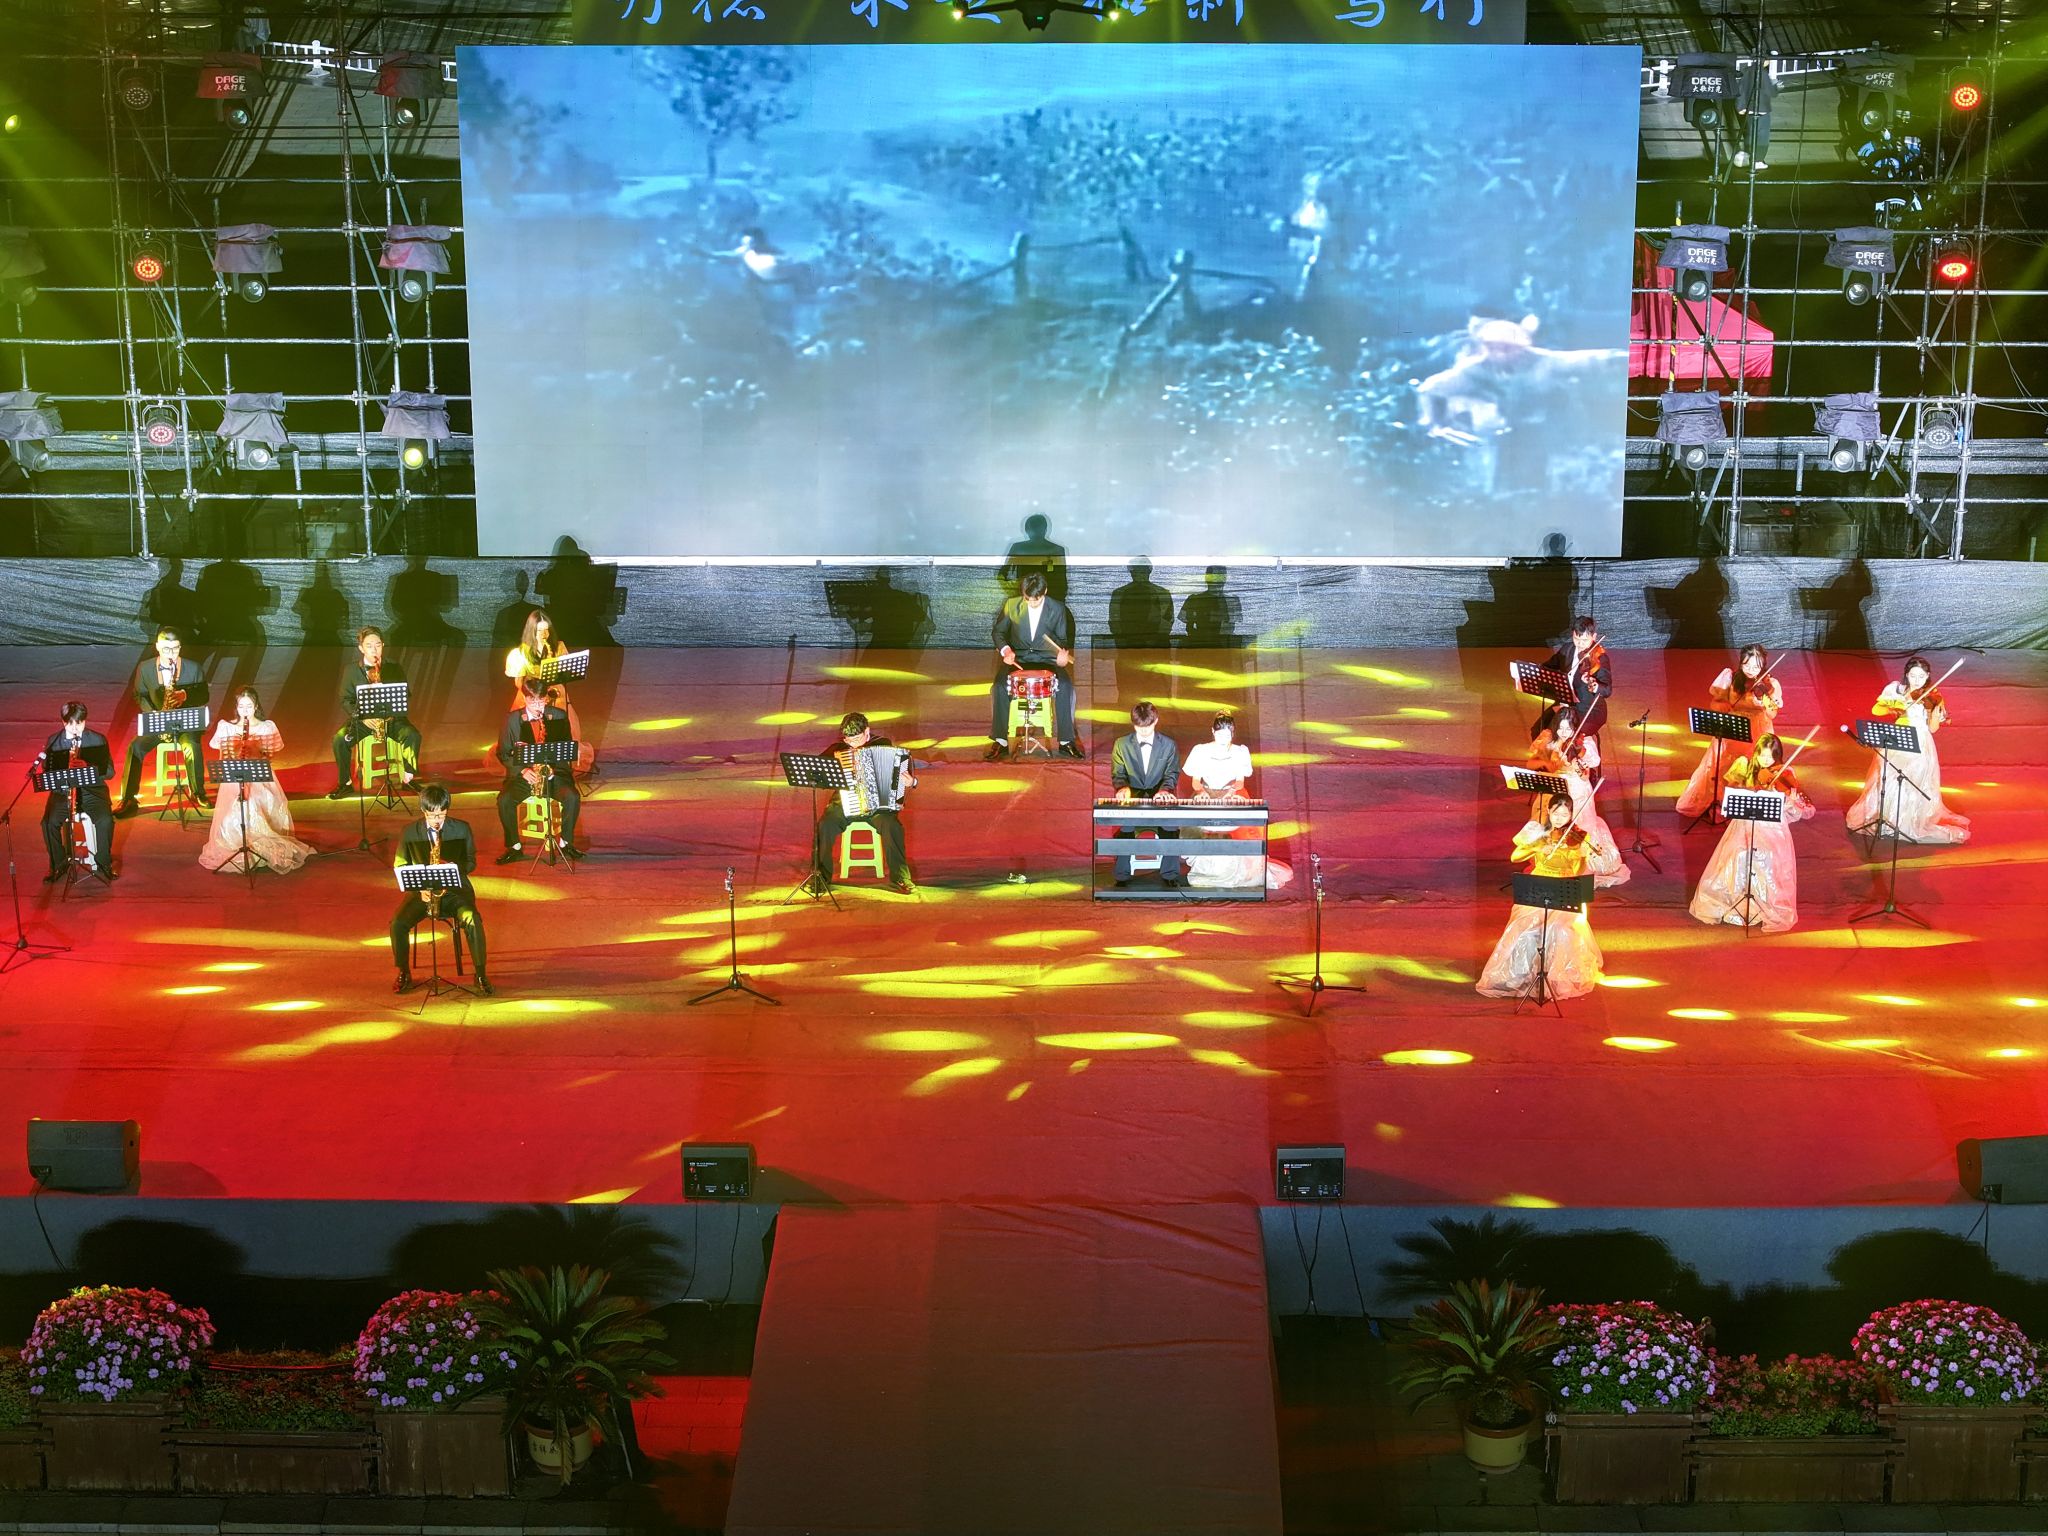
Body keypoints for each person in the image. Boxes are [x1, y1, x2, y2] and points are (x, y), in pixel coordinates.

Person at [1476, 792, 1604, 1001]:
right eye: (1556, 814)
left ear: (1571, 814)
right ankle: (1519, 974)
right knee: (1523, 926)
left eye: (1565, 815)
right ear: (1549, 811)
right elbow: (1515, 856)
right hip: (1538, 885)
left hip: (1564, 887)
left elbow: (1579, 871)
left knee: (1559, 929)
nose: (1560, 819)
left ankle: (1556, 976)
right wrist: (1538, 846)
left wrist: (1583, 855)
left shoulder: (1579, 836)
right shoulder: (1537, 832)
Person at [1688, 733, 1814, 932]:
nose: (1766, 761)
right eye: (1763, 756)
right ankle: (1736, 898)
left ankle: (1765, 902)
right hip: (1745, 824)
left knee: (1770, 864)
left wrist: (1791, 799)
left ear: (1778, 756)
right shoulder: (1746, 767)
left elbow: (1794, 808)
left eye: (1771, 757)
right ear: (1756, 754)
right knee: (1737, 859)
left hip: (1772, 828)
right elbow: (1732, 793)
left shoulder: (1785, 773)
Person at [1846, 655, 1971, 845]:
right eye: (1913, 676)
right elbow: (1876, 710)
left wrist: (1936, 714)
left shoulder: (1933, 697)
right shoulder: (1896, 690)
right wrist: (1896, 705)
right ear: (1906, 674)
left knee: (1912, 781)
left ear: (1928, 676)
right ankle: (1887, 818)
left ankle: (1906, 822)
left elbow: (1933, 729)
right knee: (1888, 777)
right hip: (1897, 737)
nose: (1917, 680)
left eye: (1921, 676)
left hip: (1920, 742)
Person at [198, 689, 314, 875]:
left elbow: (270, 754)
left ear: (256, 706)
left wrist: (254, 748)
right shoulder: (227, 727)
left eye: (249, 706)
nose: (245, 710)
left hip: (258, 776)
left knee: (256, 802)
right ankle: (238, 842)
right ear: (236, 707)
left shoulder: (266, 727)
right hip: (235, 777)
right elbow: (217, 749)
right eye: (241, 706)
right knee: (236, 808)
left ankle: (260, 844)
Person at [391, 782, 491, 996]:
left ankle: (481, 973)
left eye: (442, 815)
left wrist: (453, 868)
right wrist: (420, 890)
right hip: (423, 893)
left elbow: (471, 861)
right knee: (397, 923)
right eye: (432, 815)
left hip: (455, 891)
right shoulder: (409, 832)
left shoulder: (462, 828)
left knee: (473, 919)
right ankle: (403, 972)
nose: (437, 820)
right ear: (423, 810)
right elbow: (400, 865)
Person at [805, 711, 916, 895]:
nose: (853, 744)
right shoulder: (838, 749)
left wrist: (910, 782)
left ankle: (900, 878)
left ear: (867, 732)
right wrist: (824, 777)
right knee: (825, 825)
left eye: (856, 739)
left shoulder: (883, 744)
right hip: (845, 804)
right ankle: (820, 877)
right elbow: (816, 771)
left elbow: (899, 776)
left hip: (878, 808)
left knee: (892, 826)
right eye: (848, 740)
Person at [1675, 644, 1783, 818]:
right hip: (1732, 727)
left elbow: (1772, 714)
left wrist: (1766, 701)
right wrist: (1722, 706)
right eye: (1746, 665)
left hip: (1758, 729)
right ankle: (1722, 800)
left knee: (1754, 766)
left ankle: (1747, 805)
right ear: (1740, 663)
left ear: (1763, 666)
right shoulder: (1730, 678)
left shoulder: (1770, 684)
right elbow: (1715, 703)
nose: (1751, 670)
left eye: (1756, 667)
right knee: (1723, 765)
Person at [987, 571, 1082, 761]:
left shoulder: (1057, 608)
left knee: (1065, 686)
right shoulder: (1011, 605)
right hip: (1019, 658)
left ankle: (1066, 741)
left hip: (1048, 660)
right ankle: (1001, 741)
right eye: (1027, 598)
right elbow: (998, 633)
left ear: (1044, 592)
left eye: (1035, 600)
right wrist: (1006, 650)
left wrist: (1061, 656)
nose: (1031, 602)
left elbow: (1062, 640)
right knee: (999, 686)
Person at [1528, 711, 1627, 890]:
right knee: (1550, 824)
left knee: (1578, 828)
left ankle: (1576, 867)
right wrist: (1548, 764)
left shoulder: (1583, 742)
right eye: (1561, 728)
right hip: (1554, 788)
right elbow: (1531, 763)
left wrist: (1580, 769)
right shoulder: (1548, 739)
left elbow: (1585, 775)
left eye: (1569, 729)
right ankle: (1552, 863)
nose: (1564, 733)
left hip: (1577, 789)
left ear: (1575, 728)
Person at [117, 626, 209, 816]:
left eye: (175, 649)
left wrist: (185, 695)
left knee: (192, 746)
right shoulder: (145, 668)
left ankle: (198, 792)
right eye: (166, 649)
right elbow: (139, 695)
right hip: (158, 720)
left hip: (185, 724)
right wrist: (154, 714)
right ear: (158, 646)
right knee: (136, 747)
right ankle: (128, 798)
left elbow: (204, 695)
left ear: (180, 647)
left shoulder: (194, 667)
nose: (171, 654)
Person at [495, 677, 583, 864]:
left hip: (553, 774)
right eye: (532, 701)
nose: (537, 706)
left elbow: (565, 749)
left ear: (546, 698)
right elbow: (503, 753)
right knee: (504, 800)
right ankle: (514, 847)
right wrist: (523, 771)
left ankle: (565, 843)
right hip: (524, 776)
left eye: (541, 701)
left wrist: (552, 770)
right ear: (525, 698)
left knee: (572, 797)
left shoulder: (558, 716)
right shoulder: (512, 720)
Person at [328, 625, 422, 798]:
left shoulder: (394, 667)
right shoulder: (351, 670)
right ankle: (345, 783)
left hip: (391, 719)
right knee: (340, 739)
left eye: (378, 645)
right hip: (363, 720)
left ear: (383, 645)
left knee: (413, 735)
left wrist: (391, 709)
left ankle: (408, 778)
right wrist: (362, 719)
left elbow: (405, 694)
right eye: (369, 646)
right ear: (361, 648)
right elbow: (346, 699)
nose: (374, 650)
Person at [505, 608, 595, 778]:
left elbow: (566, 673)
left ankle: (560, 763)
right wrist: (534, 687)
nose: (544, 634)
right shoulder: (520, 653)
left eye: (546, 629)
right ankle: (531, 765)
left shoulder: (558, 647)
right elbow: (518, 682)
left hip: (556, 694)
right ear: (531, 631)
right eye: (539, 630)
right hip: (532, 695)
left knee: (563, 725)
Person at [1180, 713, 1263, 890]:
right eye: (1219, 735)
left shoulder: (1240, 752)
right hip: (1206, 792)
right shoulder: (1201, 750)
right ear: (1213, 731)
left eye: (1227, 735)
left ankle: (1230, 870)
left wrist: (1232, 791)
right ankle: (1206, 870)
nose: (1223, 739)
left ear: (1233, 733)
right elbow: (1196, 780)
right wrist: (1201, 791)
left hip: (1230, 793)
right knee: (1194, 826)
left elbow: (1240, 781)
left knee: (1237, 826)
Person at [1107, 701, 1183, 888]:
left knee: (1170, 827)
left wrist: (1165, 790)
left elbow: (1171, 773)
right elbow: (1118, 774)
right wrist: (1122, 788)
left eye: (1147, 727)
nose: (1143, 731)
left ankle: (1170, 874)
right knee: (1125, 829)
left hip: (1160, 800)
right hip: (1133, 800)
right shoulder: (1121, 744)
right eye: (1138, 727)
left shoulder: (1169, 745)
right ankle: (1122, 875)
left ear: (1156, 721)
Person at [38, 702, 116, 884]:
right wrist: (64, 770)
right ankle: (59, 864)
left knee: (105, 820)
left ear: (85, 721)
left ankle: (104, 863)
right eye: (70, 724)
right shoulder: (54, 741)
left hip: (92, 791)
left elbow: (110, 772)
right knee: (48, 823)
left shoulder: (98, 740)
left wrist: (88, 767)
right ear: (63, 722)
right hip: (63, 792)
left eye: (79, 723)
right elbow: (47, 771)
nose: (74, 728)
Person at [1532, 615, 1611, 749]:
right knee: (1538, 730)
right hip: (1566, 705)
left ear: (1594, 637)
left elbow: (1607, 690)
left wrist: (1595, 685)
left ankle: (1572, 762)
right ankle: (1545, 761)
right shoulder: (1567, 649)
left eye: (1585, 640)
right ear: (1572, 634)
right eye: (1576, 639)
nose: (1580, 644)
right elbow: (1549, 666)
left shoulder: (1600, 658)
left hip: (1588, 710)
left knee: (1568, 740)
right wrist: (1535, 671)